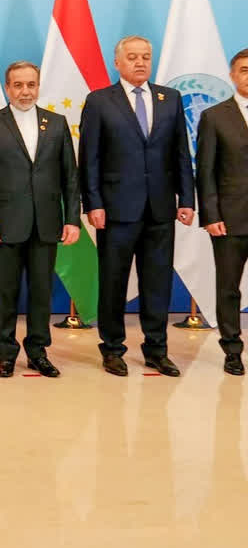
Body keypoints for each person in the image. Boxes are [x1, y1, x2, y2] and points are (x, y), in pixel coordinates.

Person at [78, 35, 195, 377]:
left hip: (160, 208)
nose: (140, 62)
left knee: (157, 282)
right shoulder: (100, 101)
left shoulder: (170, 98)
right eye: (132, 57)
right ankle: (112, 348)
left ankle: (156, 349)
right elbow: (90, 159)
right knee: (113, 282)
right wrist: (93, 203)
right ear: (118, 62)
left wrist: (186, 199)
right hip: (116, 210)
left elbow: (181, 154)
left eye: (145, 56)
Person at [0, 61, 80, 378]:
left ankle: (37, 351)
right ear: (8, 88)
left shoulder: (57, 124)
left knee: (41, 291)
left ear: (38, 86)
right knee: (5, 292)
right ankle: (5, 353)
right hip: (5, 224)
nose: (25, 91)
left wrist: (72, 219)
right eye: (18, 85)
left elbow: (70, 178)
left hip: (47, 223)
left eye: (30, 84)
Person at [196, 48, 248, 376]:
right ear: (232, 75)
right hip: (230, 219)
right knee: (228, 287)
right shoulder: (215, 116)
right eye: (244, 70)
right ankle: (232, 349)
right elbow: (206, 171)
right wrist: (211, 215)